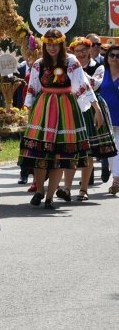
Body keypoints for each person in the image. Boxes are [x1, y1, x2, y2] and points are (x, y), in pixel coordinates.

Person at [20, 29, 103, 209]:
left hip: (66, 109)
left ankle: (50, 197)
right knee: (39, 151)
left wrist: (97, 109)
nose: (51, 48)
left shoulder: (71, 62)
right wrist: (27, 111)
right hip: (44, 108)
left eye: (55, 44)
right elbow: (32, 89)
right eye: (48, 44)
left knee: (60, 154)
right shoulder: (38, 64)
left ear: (61, 44)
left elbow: (83, 85)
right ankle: (40, 190)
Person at [56, 37, 116, 201]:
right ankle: (67, 189)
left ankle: (83, 189)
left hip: (91, 107)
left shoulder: (99, 67)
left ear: (90, 50)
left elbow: (95, 84)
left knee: (88, 150)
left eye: (84, 50)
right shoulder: (68, 65)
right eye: (77, 51)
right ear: (72, 52)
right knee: (71, 149)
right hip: (72, 107)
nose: (81, 54)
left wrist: (76, 70)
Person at [93, 44, 119, 194]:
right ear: (107, 57)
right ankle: (115, 176)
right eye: (112, 55)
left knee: (118, 148)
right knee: (110, 149)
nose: (115, 58)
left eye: (118, 56)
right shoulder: (102, 71)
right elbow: (94, 84)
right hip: (105, 116)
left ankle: (116, 179)